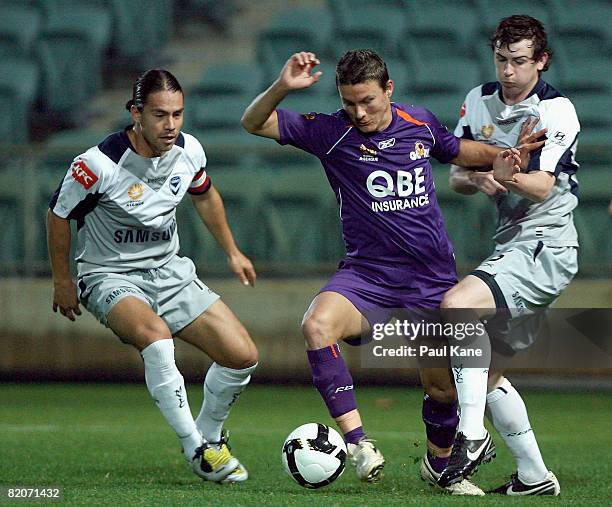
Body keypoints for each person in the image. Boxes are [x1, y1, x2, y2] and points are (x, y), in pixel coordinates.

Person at [241, 49, 538, 493]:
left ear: (389, 91)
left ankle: (440, 466)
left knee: (444, 391)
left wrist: (505, 155)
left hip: (430, 279)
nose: (358, 113)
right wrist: (283, 85)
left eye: (368, 102)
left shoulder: (417, 122)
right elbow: (253, 122)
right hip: (368, 277)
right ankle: (358, 444)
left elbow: (457, 149)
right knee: (317, 325)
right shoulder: (331, 132)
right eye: (349, 103)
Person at [47, 69, 259, 484]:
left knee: (242, 357)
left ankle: (211, 438)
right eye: (160, 115)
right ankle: (195, 447)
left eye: (178, 114)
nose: (171, 125)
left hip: (169, 270)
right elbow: (57, 215)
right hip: (109, 275)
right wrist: (62, 280)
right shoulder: (97, 164)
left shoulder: (189, 150)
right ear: (136, 114)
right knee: (157, 338)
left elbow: (205, 195)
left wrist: (232, 251)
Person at [437, 15, 579, 495]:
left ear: (541, 60)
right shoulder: (478, 101)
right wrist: (482, 175)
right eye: (502, 59)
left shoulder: (557, 112)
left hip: (546, 243)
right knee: (487, 372)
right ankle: (535, 477)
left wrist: (507, 173)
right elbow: (457, 175)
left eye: (520, 62)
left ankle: (471, 436)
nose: (508, 72)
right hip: (516, 244)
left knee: (457, 306)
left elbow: (540, 187)